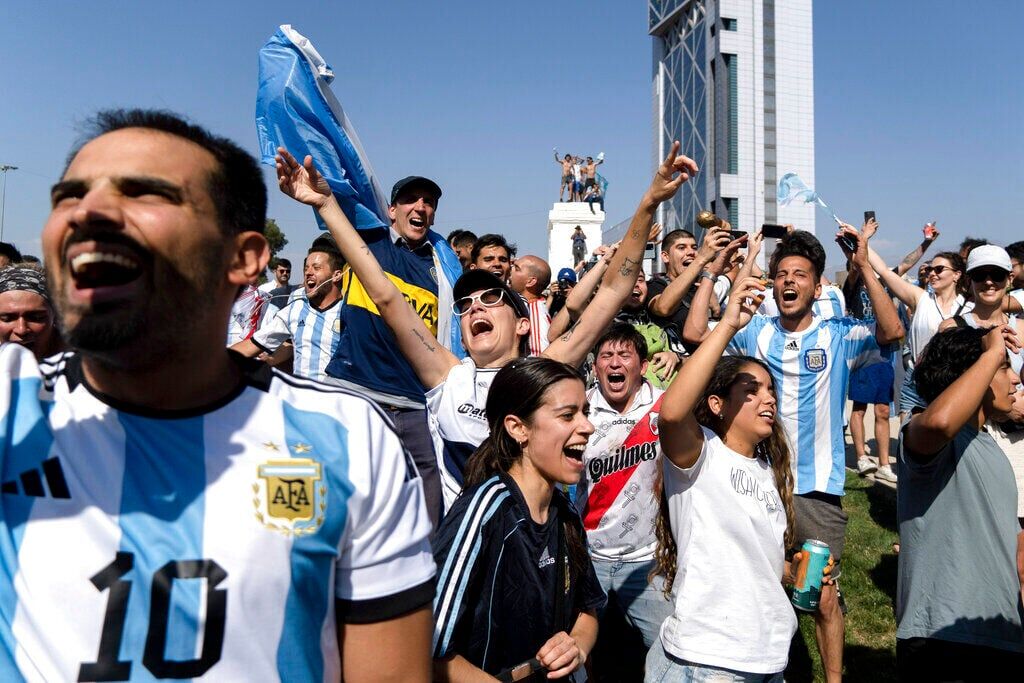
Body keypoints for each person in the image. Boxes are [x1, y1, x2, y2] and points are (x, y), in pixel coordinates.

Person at [1, 108, 435, 681]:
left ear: (244, 258)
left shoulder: (350, 443)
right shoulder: (15, 409)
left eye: (145, 194)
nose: (90, 213)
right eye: (69, 197)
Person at [273, 140, 699, 510]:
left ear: (520, 325)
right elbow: (384, 293)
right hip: (464, 551)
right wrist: (325, 205)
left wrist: (647, 204)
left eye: (492, 298)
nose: (476, 307)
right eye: (466, 304)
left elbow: (610, 293)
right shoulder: (446, 378)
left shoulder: (541, 373)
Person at [683, 225, 905, 683]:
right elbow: (692, 334)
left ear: (817, 284)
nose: (788, 281)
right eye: (781, 273)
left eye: (799, 274)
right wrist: (710, 271)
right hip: (758, 480)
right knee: (756, 585)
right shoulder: (754, 333)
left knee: (819, 595)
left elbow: (892, 330)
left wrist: (864, 264)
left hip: (813, 491)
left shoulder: (839, 334)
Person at [648, 273, 807, 681]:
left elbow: (755, 560)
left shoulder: (768, 472)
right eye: (750, 390)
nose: (767, 398)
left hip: (768, 658)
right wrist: (728, 326)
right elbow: (671, 413)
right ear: (717, 404)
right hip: (707, 661)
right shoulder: (698, 456)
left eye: (770, 390)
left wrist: (796, 570)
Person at [431, 357, 604, 680]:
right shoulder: (483, 510)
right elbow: (432, 647)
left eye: (586, 412)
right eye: (568, 415)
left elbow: (588, 607)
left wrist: (577, 645)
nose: (587, 426)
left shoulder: (566, 514)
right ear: (518, 428)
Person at [320, 171, 448, 527]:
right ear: (391, 210)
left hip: (413, 407)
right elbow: (333, 197)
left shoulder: (442, 272)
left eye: (429, 202)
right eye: (411, 199)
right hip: (353, 396)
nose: (421, 207)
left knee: (427, 522)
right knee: (339, 513)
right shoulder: (367, 239)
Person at [897, 325, 1024, 678]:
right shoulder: (922, 429)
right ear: (973, 372)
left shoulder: (993, 450)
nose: (1014, 380)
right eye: (1004, 367)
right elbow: (939, 422)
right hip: (944, 639)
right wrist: (991, 353)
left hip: (1004, 639)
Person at [574, 324, 673, 676]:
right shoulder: (580, 410)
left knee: (671, 650)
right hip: (590, 557)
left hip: (648, 560)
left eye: (624, 355)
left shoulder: (666, 406)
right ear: (595, 366)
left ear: (642, 366)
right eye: (606, 356)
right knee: (578, 653)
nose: (615, 363)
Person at [866, 239, 970, 417]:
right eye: (930, 269)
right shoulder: (921, 299)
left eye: (939, 269)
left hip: (951, 383)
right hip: (915, 382)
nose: (932, 274)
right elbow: (884, 271)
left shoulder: (969, 309)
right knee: (909, 438)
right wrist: (862, 242)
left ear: (957, 275)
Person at [231, 242, 346, 382]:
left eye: (316, 268)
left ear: (337, 275)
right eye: (306, 268)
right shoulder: (296, 307)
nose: (308, 272)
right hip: (301, 398)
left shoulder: (349, 312)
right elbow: (254, 344)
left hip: (337, 398)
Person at [648, 225, 734, 355]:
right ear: (665, 257)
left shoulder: (704, 286)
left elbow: (733, 271)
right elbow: (663, 307)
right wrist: (701, 259)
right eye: (681, 248)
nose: (691, 252)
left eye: (694, 248)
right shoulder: (656, 285)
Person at [0, 265, 63, 360]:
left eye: (36, 318)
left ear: (55, 315)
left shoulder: (84, 367)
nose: (21, 330)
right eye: (7, 319)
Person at [509, 254, 552, 356]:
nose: (510, 270)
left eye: (517, 268)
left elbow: (538, 359)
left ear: (530, 281)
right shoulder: (524, 307)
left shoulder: (535, 315)